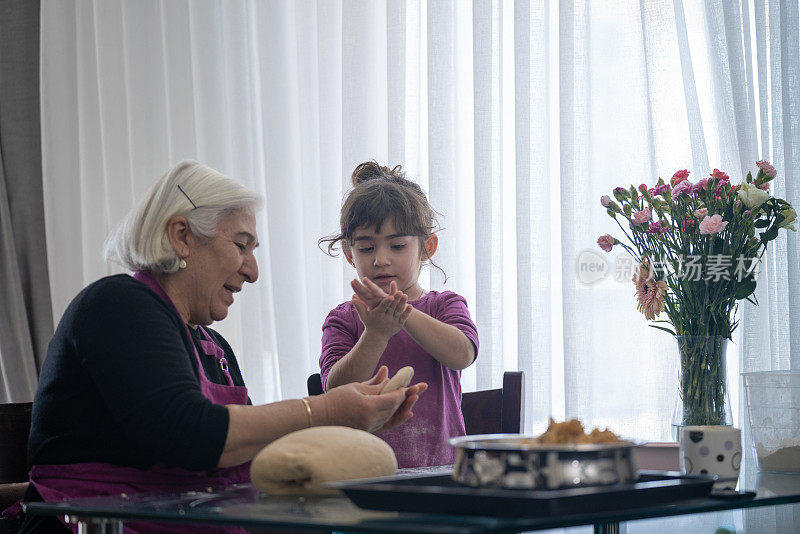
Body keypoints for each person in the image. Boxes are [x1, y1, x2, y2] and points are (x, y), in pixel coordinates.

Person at [12, 160, 426, 534]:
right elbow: (192, 435)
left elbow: (247, 451)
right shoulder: (118, 305)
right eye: (241, 245)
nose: (253, 270)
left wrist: (350, 423)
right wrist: (330, 408)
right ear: (181, 237)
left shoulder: (215, 347)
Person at [319, 161, 478, 468]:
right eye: (366, 249)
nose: (381, 259)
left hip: (441, 476)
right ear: (351, 255)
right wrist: (375, 334)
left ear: (427, 247)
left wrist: (402, 314)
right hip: (364, 477)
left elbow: (462, 355)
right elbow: (336, 391)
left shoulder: (444, 305)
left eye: (397, 245)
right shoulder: (344, 318)